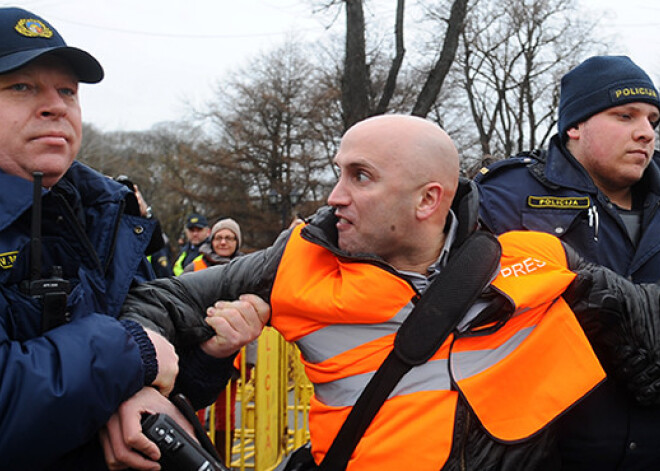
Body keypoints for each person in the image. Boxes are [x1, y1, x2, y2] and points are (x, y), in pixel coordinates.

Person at [117, 114, 660, 470]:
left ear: (428, 200)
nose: (334, 196)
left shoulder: (534, 260)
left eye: (361, 177)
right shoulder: (296, 259)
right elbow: (154, 301)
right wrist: (141, 376)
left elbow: (645, 320)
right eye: (339, 173)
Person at [0, 8, 266, 470]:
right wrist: (129, 353)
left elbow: (157, 376)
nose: (56, 105)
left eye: (68, 91)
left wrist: (208, 355)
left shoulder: (105, 218)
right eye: (21, 87)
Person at [475, 55, 660, 469]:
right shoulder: (503, 195)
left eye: (653, 120)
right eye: (625, 115)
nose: (646, 133)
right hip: (544, 449)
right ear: (574, 125)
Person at [184, 218, 253, 461]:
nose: (223, 242)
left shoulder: (249, 269)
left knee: (226, 413)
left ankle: (221, 461)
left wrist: (251, 360)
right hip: (198, 352)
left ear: (237, 242)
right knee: (196, 411)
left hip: (234, 353)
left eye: (229, 238)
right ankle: (196, 459)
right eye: (219, 237)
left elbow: (256, 315)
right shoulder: (194, 267)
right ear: (211, 240)